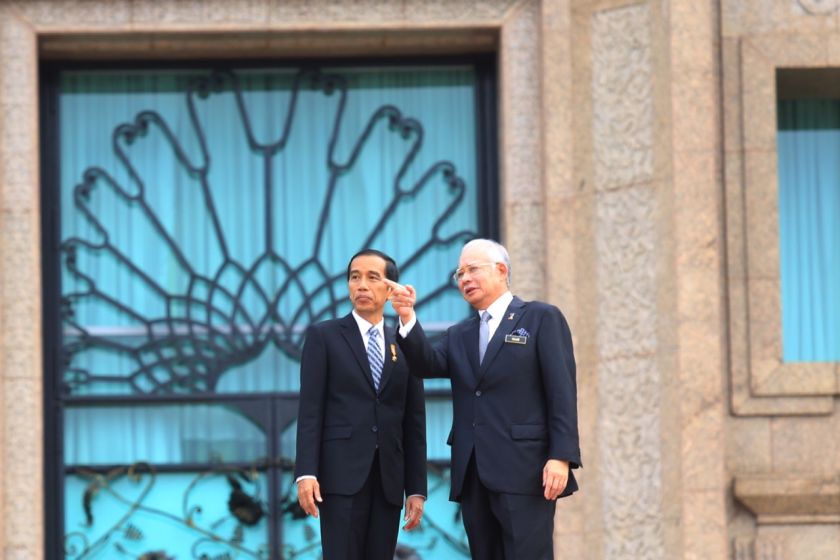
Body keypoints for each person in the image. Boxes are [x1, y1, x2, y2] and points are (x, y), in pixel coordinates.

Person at [386, 238, 580, 560]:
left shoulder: (540, 319)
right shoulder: (460, 334)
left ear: (501, 270)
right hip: (474, 474)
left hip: (526, 471)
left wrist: (561, 456)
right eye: (459, 274)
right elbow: (425, 363)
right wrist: (407, 317)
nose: (464, 279)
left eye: (472, 269)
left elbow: (561, 392)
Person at [294, 249, 427, 560]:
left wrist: (416, 488)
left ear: (391, 287)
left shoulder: (404, 342)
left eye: (372, 277)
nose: (361, 285)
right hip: (339, 477)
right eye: (355, 278)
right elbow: (310, 409)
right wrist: (306, 473)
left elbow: (414, 421)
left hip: (389, 480)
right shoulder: (324, 336)